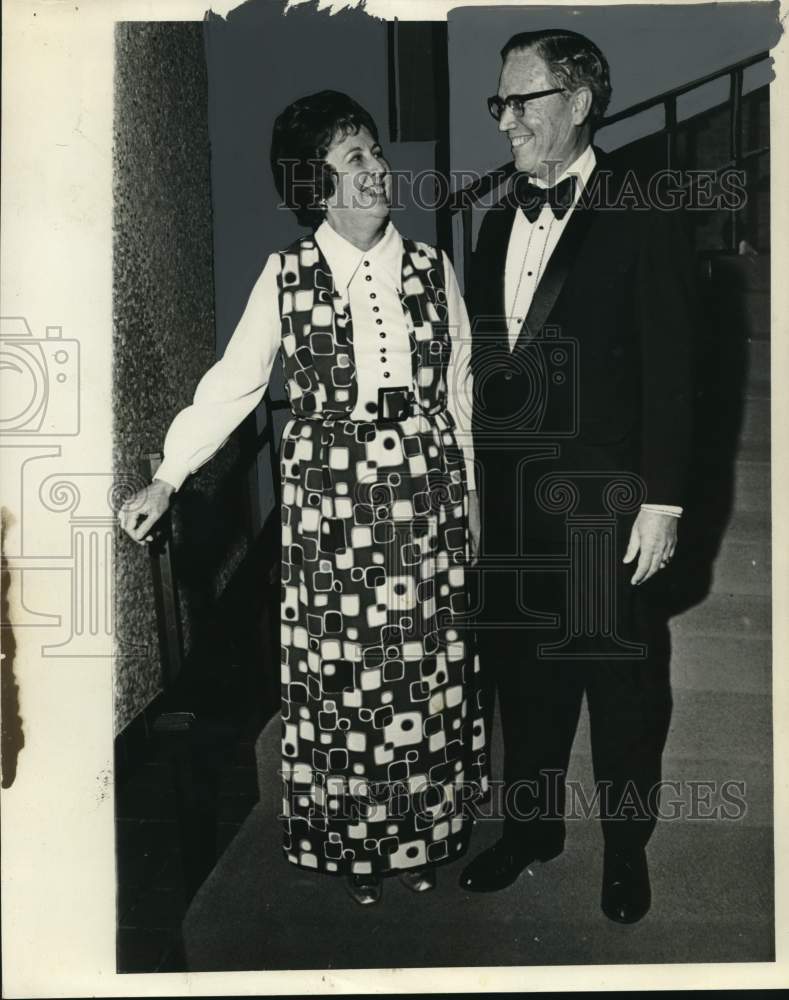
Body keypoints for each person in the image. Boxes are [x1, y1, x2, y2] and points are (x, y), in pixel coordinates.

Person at [118, 90, 487, 907]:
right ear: (314, 183)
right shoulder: (285, 275)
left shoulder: (432, 267)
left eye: (374, 151)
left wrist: (466, 500)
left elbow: (459, 391)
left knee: (423, 674)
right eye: (353, 157)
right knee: (350, 679)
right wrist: (169, 476)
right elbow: (234, 384)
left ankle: (422, 838)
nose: (376, 168)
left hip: (425, 498)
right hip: (334, 509)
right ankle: (355, 849)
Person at [459, 30, 696, 923]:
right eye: (501, 102)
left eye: (523, 100)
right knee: (524, 682)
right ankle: (531, 830)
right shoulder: (493, 217)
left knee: (622, 691)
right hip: (514, 509)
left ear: (579, 102)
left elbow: (674, 366)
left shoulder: (646, 205)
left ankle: (625, 850)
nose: (506, 119)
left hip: (609, 507)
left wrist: (663, 501)